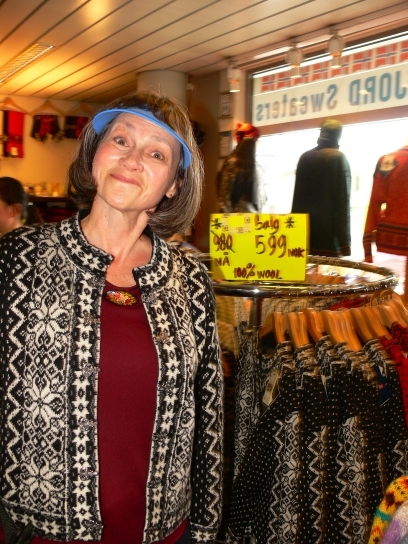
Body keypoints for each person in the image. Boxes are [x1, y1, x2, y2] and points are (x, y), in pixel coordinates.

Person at [0, 90, 223, 544]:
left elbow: (209, 417)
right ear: (95, 154)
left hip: (163, 531)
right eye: (120, 140)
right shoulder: (19, 259)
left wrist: (204, 526)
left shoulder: (191, 281)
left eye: (156, 153)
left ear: (174, 184)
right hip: (38, 532)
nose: (132, 159)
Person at [291, 118, 352, 257]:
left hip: (304, 235)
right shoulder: (338, 158)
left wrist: (294, 235)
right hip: (329, 238)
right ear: (338, 135)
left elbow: (296, 200)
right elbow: (343, 203)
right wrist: (345, 244)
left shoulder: (305, 157)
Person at [217, 122, 263, 213]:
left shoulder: (254, 165)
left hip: (251, 219)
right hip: (234, 219)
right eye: (256, 140)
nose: (258, 143)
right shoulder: (232, 163)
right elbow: (225, 201)